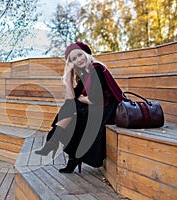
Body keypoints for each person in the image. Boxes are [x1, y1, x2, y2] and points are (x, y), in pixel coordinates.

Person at [35, 42, 123, 173]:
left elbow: (94, 99)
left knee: (77, 112)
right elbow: (71, 97)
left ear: (86, 54)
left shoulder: (96, 69)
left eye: (80, 55)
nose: (79, 60)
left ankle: (56, 141)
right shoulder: (86, 74)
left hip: (110, 109)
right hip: (99, 107)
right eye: (74, 59)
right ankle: (65, 149)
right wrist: (68, 77)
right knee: (74, 109)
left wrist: (80, 99)